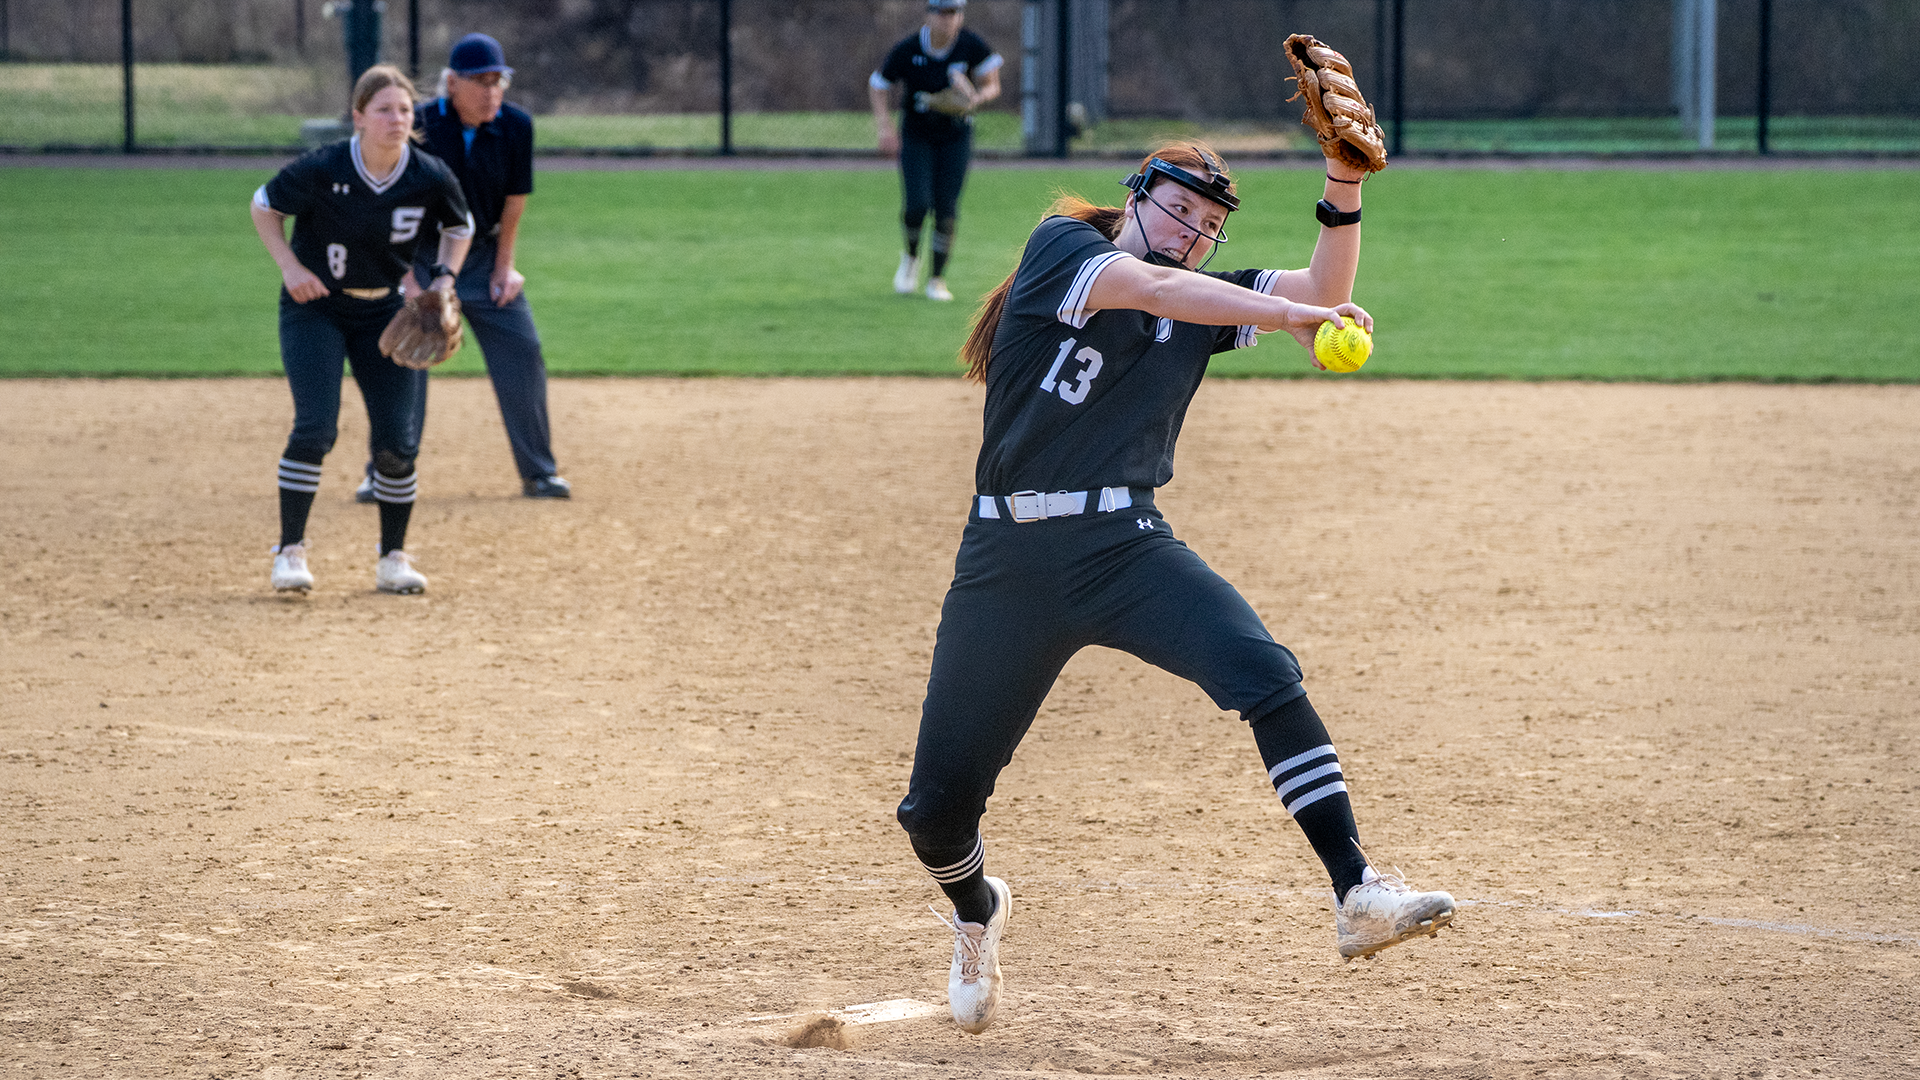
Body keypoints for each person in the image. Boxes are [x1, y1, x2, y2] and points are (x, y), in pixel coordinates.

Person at [896, 142, 1456, 1035]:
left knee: (1263, 672)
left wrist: (1342, 187)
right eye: (1178, 210)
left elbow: (1315, 284)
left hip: (1123, 545)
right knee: (935, 810)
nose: (1192, 235)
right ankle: (976, 909)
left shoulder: (1202, 293)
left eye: (1209, 226)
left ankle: (1357, 890)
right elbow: (1160, 292)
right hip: (1007, 562)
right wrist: (1285, 315)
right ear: (1134, 198)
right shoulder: (1065, 252)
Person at [251, 64, 474, 595]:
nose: (397, 119)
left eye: (404, 110)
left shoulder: (428, 173)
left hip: (386, 313)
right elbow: (264, 206)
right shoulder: (324, 166)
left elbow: (458, 226)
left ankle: (393, 559)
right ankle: (290, 553)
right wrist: (289, 267)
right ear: (358, 117)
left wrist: (444, 278)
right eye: (384, 110)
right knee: (315, 429)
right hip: (317, 309)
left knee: (398, 443)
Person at [354, 32, 572, 502]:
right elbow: (392, 197)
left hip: (482, 256)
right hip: (419, 252)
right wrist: (407, 278)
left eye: (499, 81)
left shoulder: (516, 126)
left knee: (523, 348)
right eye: (480, 81)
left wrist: (505, 267)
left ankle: (540, 472)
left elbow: (514, 203)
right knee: (408, 356)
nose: (492, 91)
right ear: (451, 84)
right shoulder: (422, 123)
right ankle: (385, 472)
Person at [868, 0, 1002, 302]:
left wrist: (974, 97)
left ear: (961, 16)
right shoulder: (909, 49)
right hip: (917, 136)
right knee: (916, 204)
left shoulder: (970, 44)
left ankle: (937, 279)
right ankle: (911, 259)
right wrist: (884, 127)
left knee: (946, 208)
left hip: (955, 137)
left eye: (953, 13)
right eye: (941, 12)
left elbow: (993, 84)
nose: (947, 19)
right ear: (928, 15)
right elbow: (878, 84)